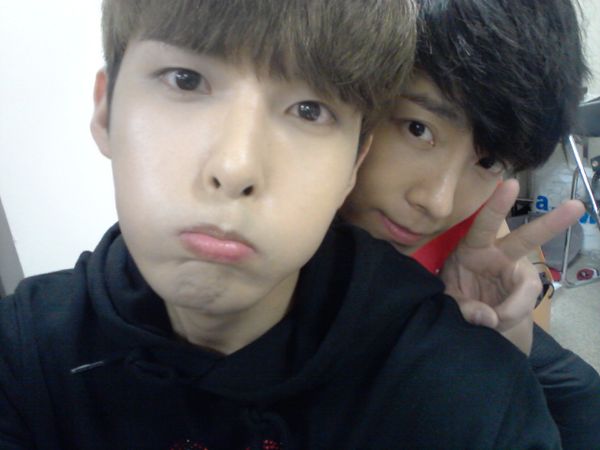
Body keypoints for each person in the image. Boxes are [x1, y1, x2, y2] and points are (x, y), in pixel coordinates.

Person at [0, 1, 570, 448]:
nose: (438, 203)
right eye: (186, 80)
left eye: (309, 109)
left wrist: (501, 348)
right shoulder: (32, 352)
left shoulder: (473, 278)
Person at [340, 0, 600, 448]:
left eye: (488, 160)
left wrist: (504, 326)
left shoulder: (477, 208)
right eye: (418, 129)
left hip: (473, 325)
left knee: (584, 396)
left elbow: (517, 310)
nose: (438, 203)